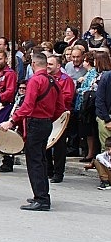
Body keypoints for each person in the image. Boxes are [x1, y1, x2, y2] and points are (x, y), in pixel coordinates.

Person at [0, 53, 66, 211]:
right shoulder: (53, 81)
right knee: (41, 160)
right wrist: (48, 117)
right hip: (47, 123)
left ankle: (41, 199)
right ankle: (42, 194)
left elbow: (27, 106)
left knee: (34, 162)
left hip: (35, 123)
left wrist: (11, 121)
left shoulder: (35, 80)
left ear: (34, 64)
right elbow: (60, 108)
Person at [44, 55, 75, 183]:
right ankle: (48, 170)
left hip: (60, 116)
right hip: (47, 115)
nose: (48, 66)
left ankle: (58, 173)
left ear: (58, 66)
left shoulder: (65, 80)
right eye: (47, 64)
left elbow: (67, 97)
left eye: (51, 64)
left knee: (59, 147)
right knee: (45, 144)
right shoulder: (45, 78)